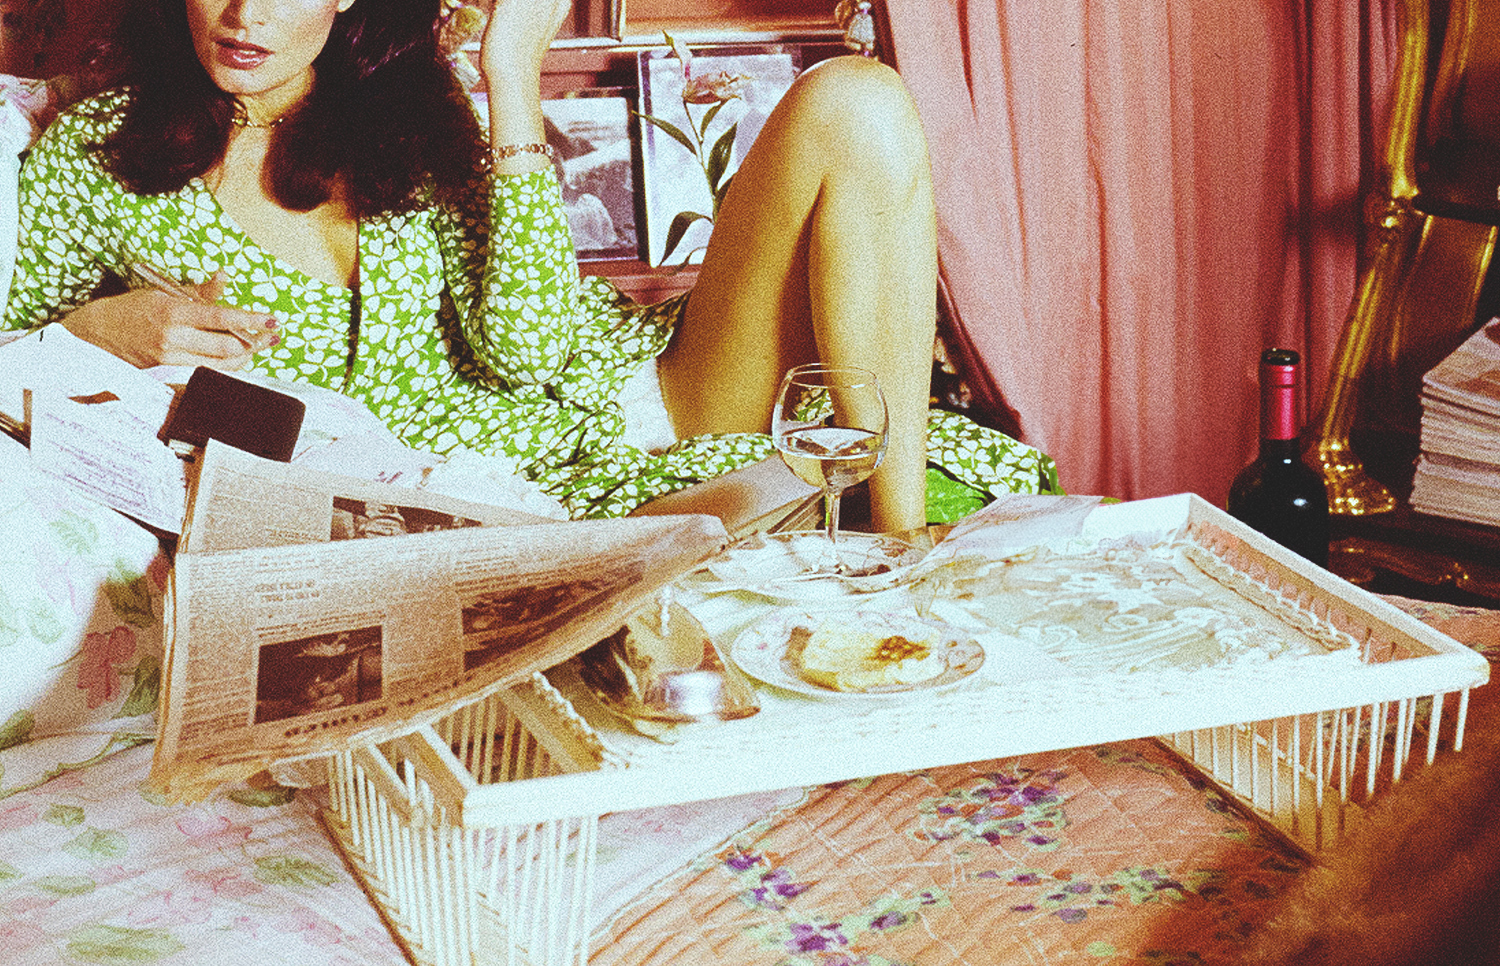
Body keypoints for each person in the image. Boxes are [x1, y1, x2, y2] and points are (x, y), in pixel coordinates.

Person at [2, 0, 1056, 530]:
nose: (247, 15)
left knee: (858, 100)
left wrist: (511, 76)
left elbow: (532, 348)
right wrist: (93, 329)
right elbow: (8, 345)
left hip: (657, 389)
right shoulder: (99, 156)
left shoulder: (413, 117)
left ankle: (901, 545)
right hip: (521, 495)